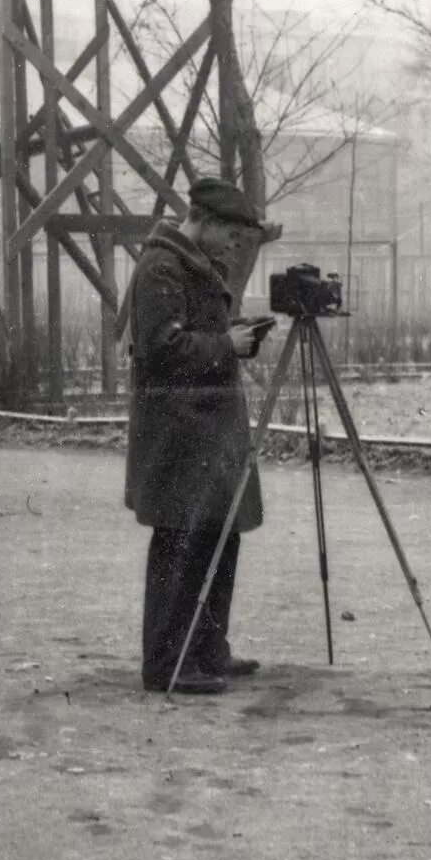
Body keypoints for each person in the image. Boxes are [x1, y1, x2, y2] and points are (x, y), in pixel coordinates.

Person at [124, 175, 275, 696]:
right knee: (179, 545)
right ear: (204, 221)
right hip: (177, 435)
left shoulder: (196, 265)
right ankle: (166, 665)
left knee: (218, 537)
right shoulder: (161, 267)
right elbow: (159, 349)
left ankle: (208, 649)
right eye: (230, 235)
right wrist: (224, 345)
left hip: (207, 433)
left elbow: (196, 338)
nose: (234, 246)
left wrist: (235, 341)